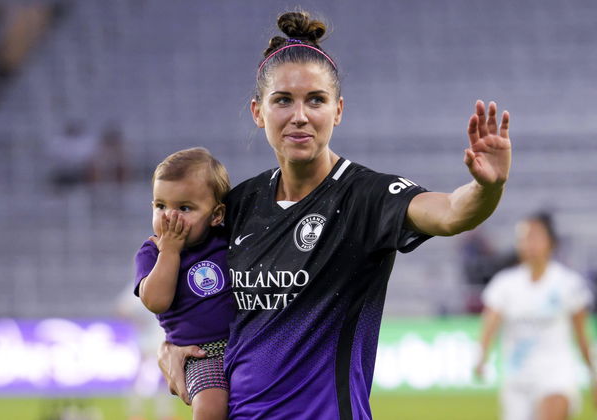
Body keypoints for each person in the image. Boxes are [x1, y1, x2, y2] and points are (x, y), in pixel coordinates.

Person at [158, 11, 512, 419]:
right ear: (258, 112)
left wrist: (488, 187)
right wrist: (171, 344)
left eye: (316, 100)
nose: (300, 115)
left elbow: (451, 213)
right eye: (283, 100)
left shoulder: (365, 196)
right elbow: (191, 289)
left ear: (338, 110)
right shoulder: (238, 205)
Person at [134, 147, 236, 420]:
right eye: (160, 206)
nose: (169, 217)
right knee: (210, 407)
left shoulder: (225, 240)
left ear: (216, 215)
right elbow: (155, 301)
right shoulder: (153, 251)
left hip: (245, 344)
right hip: (201, 353)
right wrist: (170, 253)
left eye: (184, 208)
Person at [475, 212, 596, 420]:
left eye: (535, 237)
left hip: (556, 374)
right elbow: (490, 323)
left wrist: (593, 373)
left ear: (551, 243)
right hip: (517, 379)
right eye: (523, 238)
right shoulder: (504, 284)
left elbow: (582, 335)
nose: (529, 244)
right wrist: (481, 356)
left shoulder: (568, 283)